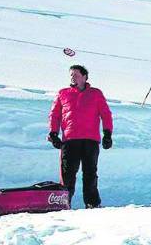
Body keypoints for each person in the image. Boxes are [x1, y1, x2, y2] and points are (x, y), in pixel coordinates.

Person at [48, 65, 113, 208]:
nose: (72, 77)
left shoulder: (96, 94)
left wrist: (107, 133)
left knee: (90, 173)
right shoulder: (63, 93)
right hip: (70, 140)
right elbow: (55, 115)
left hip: (90, 140)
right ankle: (63, 203)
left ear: (84, 77)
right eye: (71, 75)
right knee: (67, 174)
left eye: (76, 75)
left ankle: (92, 204)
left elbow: (106, 114)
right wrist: (53, 133)